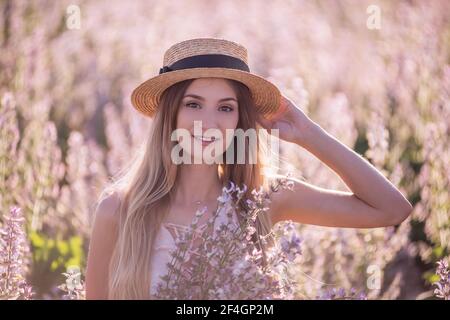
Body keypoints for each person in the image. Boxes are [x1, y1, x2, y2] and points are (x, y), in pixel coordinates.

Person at [85, 37, 413, 299]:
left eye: (225, 108)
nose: (208, 123)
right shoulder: (119, 209)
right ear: (169, 114)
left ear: (241, 120)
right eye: (193, 104)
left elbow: (390, 209)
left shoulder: (261, 201)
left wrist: (308, 133)